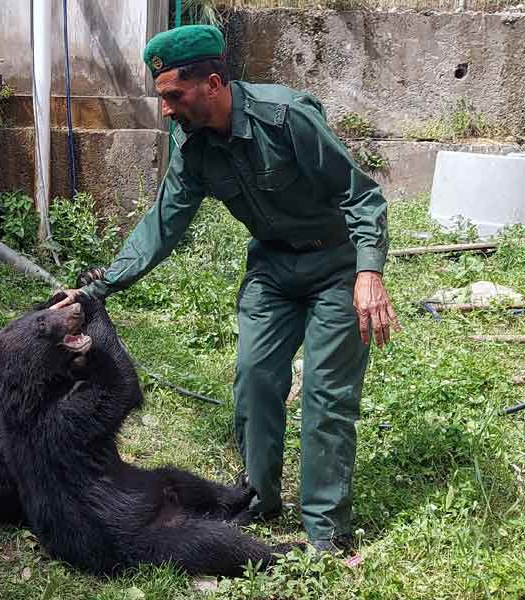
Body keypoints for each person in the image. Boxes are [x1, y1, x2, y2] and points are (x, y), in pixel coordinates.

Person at [50, 24, 401, 553]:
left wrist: (369, 272)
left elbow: (363, 197)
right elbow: (163, 223)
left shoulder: (286, 118)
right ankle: (257, 499)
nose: (166, 109)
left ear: (212, 84)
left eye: (173, 95)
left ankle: (326, 531)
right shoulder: (192, 144)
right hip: (273, 270)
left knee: (327, 396)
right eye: (162, 96)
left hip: (337, 266)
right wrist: (99, 288)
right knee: (254, 377)